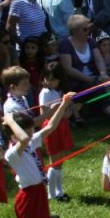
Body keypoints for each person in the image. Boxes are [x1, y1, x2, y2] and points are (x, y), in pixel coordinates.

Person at [4, 92, 75, 218]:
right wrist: (10, 120)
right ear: (14, 133)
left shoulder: (27, 145)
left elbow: (50, 127)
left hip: (37, 194)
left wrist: (63, 104)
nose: (31, 133)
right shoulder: (13, 152)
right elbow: (25, 138)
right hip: (28, 197)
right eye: (26, 130)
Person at [39, 63, 73, 202]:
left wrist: (68, 111)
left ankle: (59, 191)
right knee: (55, 161)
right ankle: (51, 193)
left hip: (61, 126)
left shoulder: (58, 91)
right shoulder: (45, 93)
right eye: (47, 79)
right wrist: (63, 113)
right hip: (52, 128)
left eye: (53, 79)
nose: (49, 82)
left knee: (60, 160)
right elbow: (44, 114)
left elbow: (64, 110)